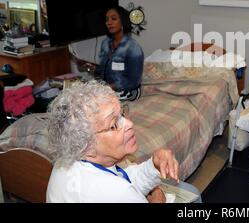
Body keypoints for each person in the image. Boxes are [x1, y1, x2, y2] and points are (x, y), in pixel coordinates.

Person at [46, 80, 201, 203]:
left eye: (122, 114)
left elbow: (122, 177)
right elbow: (120, 189)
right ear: (87, 145)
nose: (129, 124)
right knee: (193, 195)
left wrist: (153, 164)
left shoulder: (66, 160)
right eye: (114, 124)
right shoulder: (115, 192)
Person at [83, 6, 143, 101]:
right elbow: (107, 70)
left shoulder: (133, 48)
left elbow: (133, 81)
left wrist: (109, 87)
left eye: (114, 19)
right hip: (109, 88)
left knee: (94, 103)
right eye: (107, 20)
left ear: (122, 21)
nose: (109, 22)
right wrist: (93, 68)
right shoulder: (105, 43)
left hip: (128, 91)